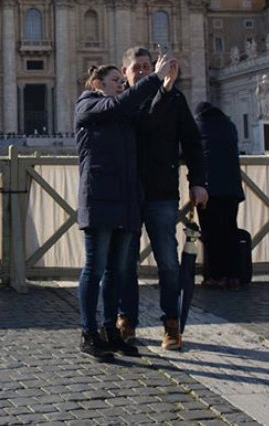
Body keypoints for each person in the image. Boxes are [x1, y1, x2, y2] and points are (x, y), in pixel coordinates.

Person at [74, 55, 172, 361]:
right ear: (97, 85)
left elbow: (150, 119)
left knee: (117, 271)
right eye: (116, 81)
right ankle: (88, 332)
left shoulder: (124, 114)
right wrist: (153, 79)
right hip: (100, 199)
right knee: (95, 269)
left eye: (121, 81)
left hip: (127, 200)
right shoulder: (89, 105)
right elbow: (118, 104)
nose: (122, 85)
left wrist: (165, 90)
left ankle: (110, 331)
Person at [116, 46, 208, 351]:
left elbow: (193, 144)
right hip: (129, 194)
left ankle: (171, 322)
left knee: (168, 262)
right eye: (137, 68)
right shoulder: (123, 103)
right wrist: (159, 87)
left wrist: (198, 183)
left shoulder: (175, 99)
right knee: (125, 262)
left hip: (162, 192)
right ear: (126, 73)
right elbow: (143, 124)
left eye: (147, 66)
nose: (143, 71)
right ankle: (126, 318)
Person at [193, 102, 246, 290]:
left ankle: (215, 276)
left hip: (209, 190)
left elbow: (187, 152)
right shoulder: (229, 126)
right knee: (230, 232)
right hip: (232, 189)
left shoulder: (198, 126)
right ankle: (234, 277)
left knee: (211, 234)